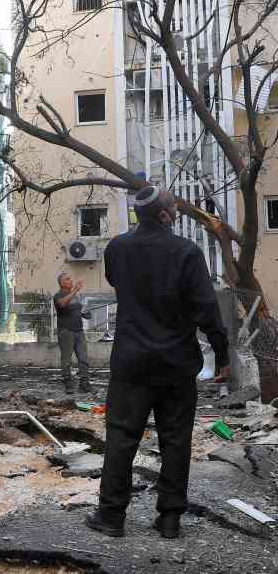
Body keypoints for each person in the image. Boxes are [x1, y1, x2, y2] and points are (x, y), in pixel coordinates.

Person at [85, 186, 230, 540]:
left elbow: (116, 280)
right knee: (176, 440)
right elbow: (207, 310)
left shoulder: (117, 248)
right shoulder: (187, 252)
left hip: (131, 364)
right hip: (176, 365)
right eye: (175, 209)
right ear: (166, 216)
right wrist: (222, 354)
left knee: (120, 437)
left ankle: (111, 516)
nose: (177, 213)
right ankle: (169, 520)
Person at [54, 272, 90, 394]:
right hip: (66, 331)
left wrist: (85, 313)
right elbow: (63, 304)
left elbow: (76, 310)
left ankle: (84, 384)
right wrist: (75, 290)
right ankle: (68, 384)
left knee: (83, 358)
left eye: (70, 279)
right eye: (68, 279)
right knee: (66, 360)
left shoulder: (74, 297)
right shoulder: (58, 295)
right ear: (62, 283)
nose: (71, 281)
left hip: (79, 331)